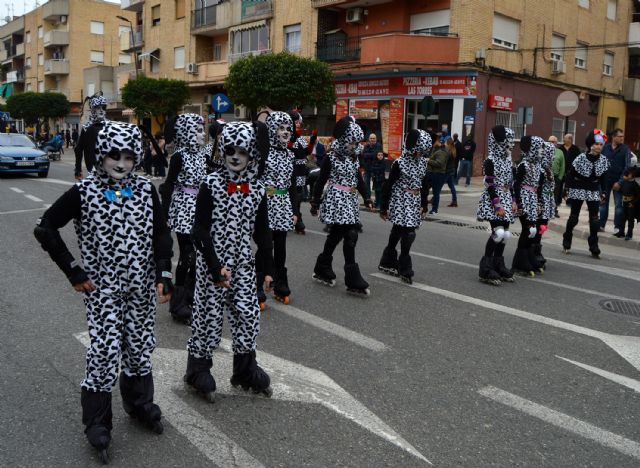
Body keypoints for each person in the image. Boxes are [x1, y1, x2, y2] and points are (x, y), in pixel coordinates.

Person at [33, 121, 174, 464]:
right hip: (103, 290)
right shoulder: (85, 192)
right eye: (114, 155)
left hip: (140, 288)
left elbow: (160, 234)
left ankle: (140, 404)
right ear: (100, 155)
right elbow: (45, 227)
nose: (122, 163)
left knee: (140, 347)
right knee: (106, 351)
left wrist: (164, 272)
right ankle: (97, 423)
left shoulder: (145, 189)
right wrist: (73, 270)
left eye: (128, 156)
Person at [185, 121, 274, 401]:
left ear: (252, 155)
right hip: (212, 263)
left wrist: (268, 270)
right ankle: (197, 369)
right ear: (222, 151)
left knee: (248, 315)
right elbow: (198, 229)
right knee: (208, 318)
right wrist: (213, 265)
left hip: (243, 262)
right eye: (230, 150)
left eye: (243, 152)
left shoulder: (258, 189)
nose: (235, 156)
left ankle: (245, 370)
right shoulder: (210, 184)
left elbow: (263, 233)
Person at [310, 116, 373, 295]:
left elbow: (358, 179)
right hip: (337, 199)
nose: (354, 147)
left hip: (350, 199)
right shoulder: (331, 157)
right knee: (350, 234)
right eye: (352, 143)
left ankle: (323, 266)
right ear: (345, 140)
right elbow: (321, 180)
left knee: (337, 234)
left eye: (356, 143)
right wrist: (315, 201)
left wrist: (367, 197)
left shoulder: (353, 158)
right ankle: (352, 277)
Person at [159, 114, 208, 324]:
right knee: (187, 255)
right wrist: (164, 214)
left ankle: (192, 296)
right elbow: (168, 184)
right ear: (187, 131)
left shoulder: (205, 154)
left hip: (200, 208)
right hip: (183, 208)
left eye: (203, 129)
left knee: (200, 256)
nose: (202, 134)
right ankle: (178, 304)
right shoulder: (179, 156)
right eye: (198, 130)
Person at [378, 129, 432, 284]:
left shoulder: (422, 162)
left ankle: (387, 259)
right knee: (408, 233)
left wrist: (424, 204)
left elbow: (424, 185)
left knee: (398, 229)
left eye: (423, 152)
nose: (421, 155)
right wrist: (383, 207)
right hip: (400, 198)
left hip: (414, 200)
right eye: (419, 151)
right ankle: (404, 264)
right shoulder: (399, 163)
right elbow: (388, 185)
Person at [257, 111, 299, 307]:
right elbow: (255, 180)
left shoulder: (290, 154)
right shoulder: (262, 153)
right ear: (272, 130)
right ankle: (256, 284)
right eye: (281, 128)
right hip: (265, 202)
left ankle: (280, 283)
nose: (285, 132)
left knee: (281, 247)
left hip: (283, 203)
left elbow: (291, 186)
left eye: (288, 128)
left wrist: (295, 211)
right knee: (266, 246)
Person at [476, 126, 516, 285]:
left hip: (506, 197)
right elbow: (490, 184)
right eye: (508, 142)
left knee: (506, 234)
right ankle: (485, 268)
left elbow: (511, 183)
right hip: (495, 199)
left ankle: (498, 264)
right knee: (498, 233)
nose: (511, 145)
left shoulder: (508, 159)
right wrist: (497, 205)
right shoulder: (490, 160)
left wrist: (513, 201)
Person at [562, 129, 610, 257]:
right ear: (590, 145)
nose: (599, 147)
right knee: (573, 218)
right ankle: (567, 240)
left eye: (601, 145)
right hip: (578, 188)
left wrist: (604, 192)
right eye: (596, 144)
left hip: (593, 189)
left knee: (594, 220)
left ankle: (594, 247)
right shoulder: (581, 158)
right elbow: (570, 175)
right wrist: (566, 189)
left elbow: (604, 178)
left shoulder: (603, 160)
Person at [512, 135, 544, 276]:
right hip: (524, 198)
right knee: (527, 229)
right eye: (539, 148)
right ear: (532, 149)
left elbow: (538, 186)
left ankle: (528, 257)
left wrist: (538, 202)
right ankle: (520, 261)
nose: (541, 151)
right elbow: (517, 184)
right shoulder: (524, 165)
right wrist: (518, 201)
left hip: (532, 198)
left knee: (532, 231)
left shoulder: (537, 166)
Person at [288, 109, 317, 234]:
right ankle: (297, 219)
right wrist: (293, 138)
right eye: (297, 123)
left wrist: (312, 140)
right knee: (290, 195)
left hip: (300, 171)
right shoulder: (285, 136)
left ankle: (296, 218)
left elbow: (307, 152)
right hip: (290, 171)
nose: (299, 125)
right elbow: (287, 148)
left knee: (298, 196)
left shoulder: (300, 139)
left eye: (300, 123)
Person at [599, 128, 633, 234]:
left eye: (623, 136)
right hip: (605, 181)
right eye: (620, 136)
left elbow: (627, 167)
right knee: (603, 204)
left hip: (618, 183)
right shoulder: (605, 148)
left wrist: (620, 182)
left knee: (619, 205)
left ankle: (617, 227)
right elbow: (601, 163)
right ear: (614, 137)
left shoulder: (625, 149)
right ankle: (601, 225)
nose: (622, 138)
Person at [532, 142, 556, 270]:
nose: (553, 157)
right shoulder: (540, 169)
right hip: (540, 201)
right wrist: (540, 202)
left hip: (548, 200)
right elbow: (539, 187)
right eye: (550, 154)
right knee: (537, 226)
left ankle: (537, 249)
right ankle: (533, 252)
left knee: (543, 226)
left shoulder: (548, 168)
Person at [74, 94, 108, 179]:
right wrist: (78, 169)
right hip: (94, 169)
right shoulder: (86, 128)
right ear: (92, 110)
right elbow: (79, 149)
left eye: (103, 108)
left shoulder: (110, 127)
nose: (101, 111)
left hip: (111, 168)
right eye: (97, 108)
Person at [426, 137, 448, 214]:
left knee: (436, 193)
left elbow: (439, 163)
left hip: (437, 174)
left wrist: (428, 160)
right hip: (434, 174)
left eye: (435, 141)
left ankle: (434, 209)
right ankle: (425, 206)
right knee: (426, 190)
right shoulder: (437, 151)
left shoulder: (440, 152)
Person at [616, 168, 639, 240]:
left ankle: (629, 234)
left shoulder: (635, 185)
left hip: (631, 204)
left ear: (633, 176)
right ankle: (621, 232)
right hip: (624, 203)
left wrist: (633, 202)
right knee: (623, 218)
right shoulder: (624, 182)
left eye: (628, 174)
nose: (625, 175)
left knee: (630, 219)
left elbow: (638, 195)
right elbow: (620, 190)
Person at [549, 135, 565, 217]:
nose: (551, 143)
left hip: (556, 177)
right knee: (547, 193)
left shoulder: (560, 152)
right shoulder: (545, 151)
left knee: (555, 194)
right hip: (547, 177)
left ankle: (554, 210)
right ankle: (546, 209)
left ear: (556, 143)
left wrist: (560, 177)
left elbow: (563, 166)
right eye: (549, 141)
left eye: (552, 142)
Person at [444, 138, 458, 207]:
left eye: (446, 143)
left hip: (447, 171)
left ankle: (433, 199)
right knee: (452, 186)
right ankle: (454, 201)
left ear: (448, 143)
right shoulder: (453, 150)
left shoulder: (448, 151)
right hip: (451, 170)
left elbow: (445, 162)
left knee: (439, 186)